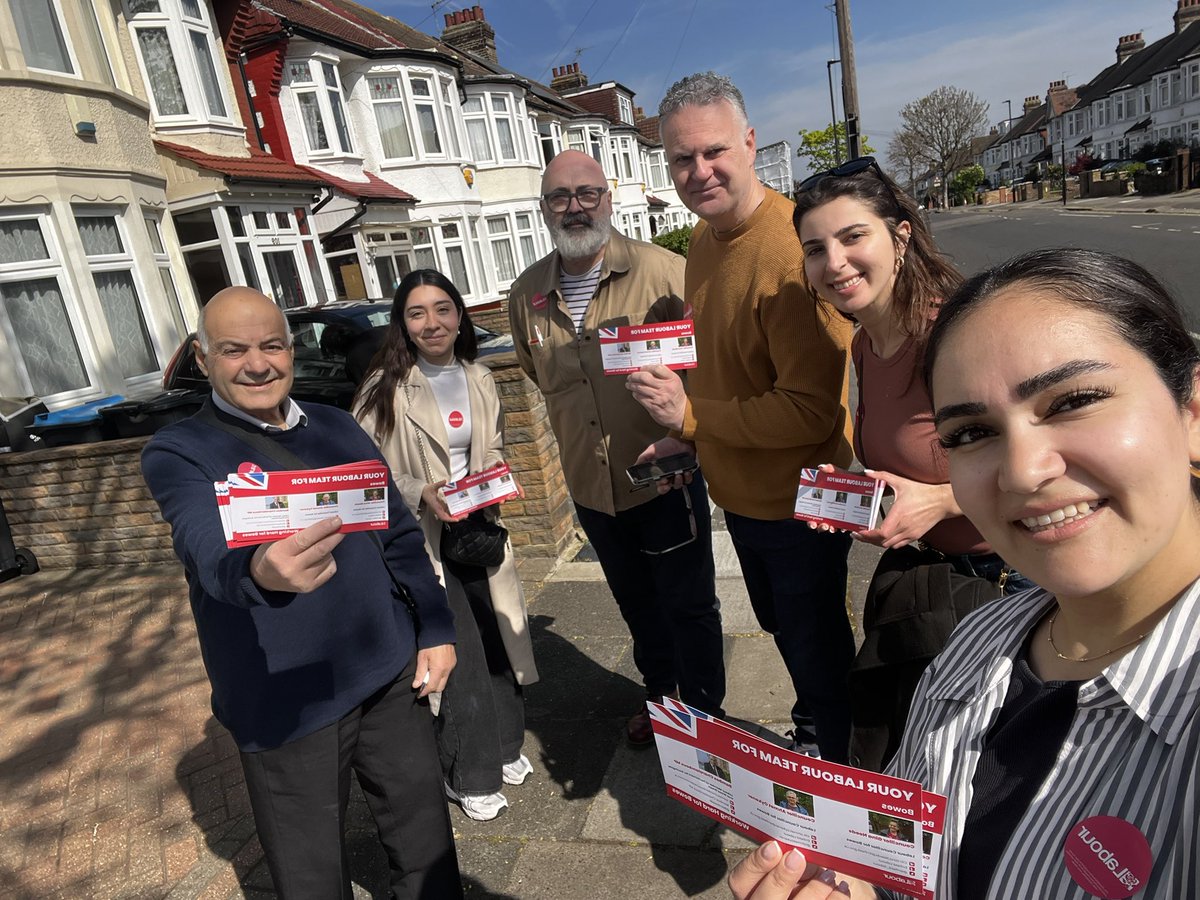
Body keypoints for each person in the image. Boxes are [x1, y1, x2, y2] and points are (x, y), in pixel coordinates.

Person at [732, 247, 1200, 898]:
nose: (1023, 471)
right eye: (970, 433)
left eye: (1074, 400)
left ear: (1192, 410)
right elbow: (902, 858)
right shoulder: (976, 644)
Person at [140, 286, 463, 899]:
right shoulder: (179, 451)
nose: (257, 364)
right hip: (287, 698)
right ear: (205, 361)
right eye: (234, 350)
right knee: (311, 876)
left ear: (292, 350)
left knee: (427, 850)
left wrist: (437, 627)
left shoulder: (339, 425)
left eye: (271, 346)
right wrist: (258, 570)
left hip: (389, 671)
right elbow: (204, 545)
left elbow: (396, 534)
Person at [629, 71, 855, 762]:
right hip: (744, 497)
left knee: (817, 649)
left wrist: (693, 419)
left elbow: (810, 411)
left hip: (800, 507)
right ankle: (819, 726)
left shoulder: (793, 253)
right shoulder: (703, 240)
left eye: (714, 152)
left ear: (751, 143)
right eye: (680, 158)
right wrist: (686, 444)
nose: (699, 172)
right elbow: (732, 367)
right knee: (788, 634)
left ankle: (841, 775)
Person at [792, 157, 1034, 770]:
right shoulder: (864, 342)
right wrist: (854, 496)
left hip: (1004, 578)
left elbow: (1039, 461)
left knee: (992, 768)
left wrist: (941, 500)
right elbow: (905, 461)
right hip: (929, 581)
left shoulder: (956, 332)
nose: (835, 263)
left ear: (899, 236)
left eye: (853, 237)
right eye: (815, 249)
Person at [508, 148, 726, 744]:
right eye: (560, 197)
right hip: (592, 492)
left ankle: (707, 723)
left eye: (586, 194)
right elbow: (537, 373)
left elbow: (713, 372)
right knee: (637, 607)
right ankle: (663, 703)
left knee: (689, 606)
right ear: (545, 208)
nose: (574, 208)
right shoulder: (527, 293)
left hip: (666, 479)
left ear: (608, 198)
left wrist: (693, 441)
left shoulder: (667, 272)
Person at [353, 269, 538, 822]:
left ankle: (504, 746)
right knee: (458, 652)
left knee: (496, 634)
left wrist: (498, 475)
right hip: (422, 537)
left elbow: (493, 443)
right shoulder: (382, 388)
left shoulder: (479, 376)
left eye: (442, 309)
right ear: (402, 325)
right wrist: (420, 491)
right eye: (416, 313)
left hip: (478, 527)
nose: (431, 323)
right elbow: (366, 475)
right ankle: (467, 774)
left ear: (460, 317)